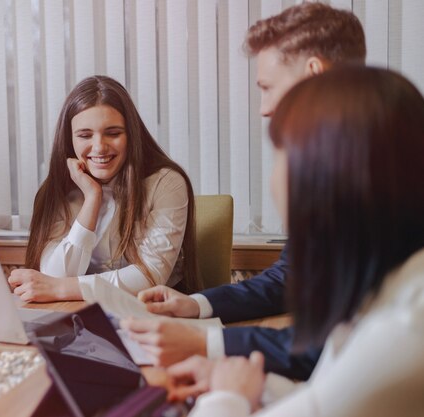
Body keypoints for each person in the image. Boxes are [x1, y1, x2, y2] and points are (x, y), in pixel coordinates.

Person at [122, 2, 367, 380]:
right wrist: (196, 304)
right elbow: (290, 276)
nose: (264, 109)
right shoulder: (335, 163)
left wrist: (206, 345)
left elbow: (343, 345)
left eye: (268, 88)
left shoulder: (380, 174)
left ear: (314, 74)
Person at [171, 66, 424, 417]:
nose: (274, 180)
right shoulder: (393, 277)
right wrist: (248, 384)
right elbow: (331, 393)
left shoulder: (401, 332)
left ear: (325, 179)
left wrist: (229, 397)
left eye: (280, 158)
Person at [8, 75, 200, 302]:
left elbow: (150, 276)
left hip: (153, 314)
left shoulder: (166, 182)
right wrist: (92, 197)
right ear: (70, 140)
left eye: (113, 133)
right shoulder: (56, 191)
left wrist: (62, 289)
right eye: (85, 135)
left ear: (131, 135)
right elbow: (53, 275)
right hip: (79, 314)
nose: (99, 147)